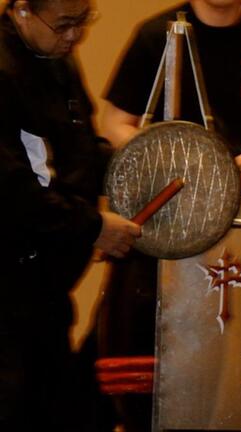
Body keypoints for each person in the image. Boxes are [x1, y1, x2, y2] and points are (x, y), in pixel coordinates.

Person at [94, 1, 241, 431]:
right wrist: (173, 161)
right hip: (168, 213)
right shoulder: (157, 33)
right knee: (157, 352)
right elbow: (115, 123)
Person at [0, 0, 140, 429]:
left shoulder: (56, 57)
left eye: (83, 22)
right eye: (64, 24)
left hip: (46, 289)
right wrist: (94, 227)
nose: (75, 36)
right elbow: (9, 188)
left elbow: (78, 151)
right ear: (22, 10)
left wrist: (135, 166)